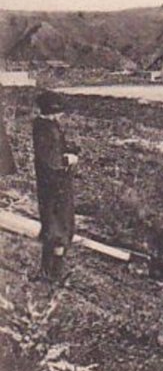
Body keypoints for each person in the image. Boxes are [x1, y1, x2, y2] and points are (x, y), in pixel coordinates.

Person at [32, 91, 79, 282]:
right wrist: (67, 159)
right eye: (59, 112)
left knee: (55, 226)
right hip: (56, 185)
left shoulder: (45, 126)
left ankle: (49, 272)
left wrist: (69, 150)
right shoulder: (46, 129)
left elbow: (51, 153)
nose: (61, 115)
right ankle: (53, 274)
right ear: (53, 111)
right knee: (59, 227)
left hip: (52, 184)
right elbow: (51, 160)